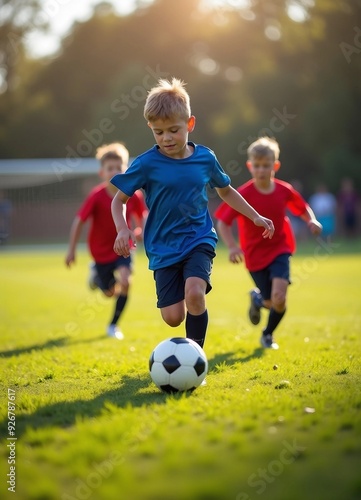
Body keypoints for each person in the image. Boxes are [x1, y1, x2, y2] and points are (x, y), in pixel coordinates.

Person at [110, 78, 274, 353]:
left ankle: (196, 357)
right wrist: (122, 228)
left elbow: (226, 191)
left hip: (198, 239)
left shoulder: (205, 159)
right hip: (162, 247)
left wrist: (255, 216)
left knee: (195, 294)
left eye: (173, 130)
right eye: (158, 132)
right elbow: (119, 200)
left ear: (190, 124)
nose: (166, 138)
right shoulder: (146, 164)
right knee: (173, 318)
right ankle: (184, 335)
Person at [214, 137, 322, 350]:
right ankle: (257, 299)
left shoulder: (284, 190)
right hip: (254, 255)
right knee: (269, 302)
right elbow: (223, 223)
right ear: (249, 166)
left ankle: (267, 335)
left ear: (275, 165)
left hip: (280, 248)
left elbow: (301, 207)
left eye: (266, 165)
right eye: (257, 166)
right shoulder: (242, 194)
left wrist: (311, 219)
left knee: (279, 298)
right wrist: (233, 246)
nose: (261, 170)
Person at [65, 143, 147, 339]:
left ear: (125, 170)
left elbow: (142, 214)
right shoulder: (96, 196)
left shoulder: (133, 194)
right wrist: (71, 250)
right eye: (110, 168)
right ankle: (96, 273)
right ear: (102, 172)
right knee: (109, 292)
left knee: (126, 281)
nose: (115, 171)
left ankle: (113, 326)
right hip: (100, 253)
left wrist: (141, 229)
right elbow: (79, 222)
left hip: (124, 249)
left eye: (119, 167)